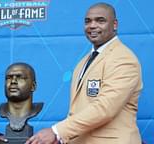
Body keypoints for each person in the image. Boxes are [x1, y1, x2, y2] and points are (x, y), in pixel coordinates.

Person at [26, 2, 142, 144]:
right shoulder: (84, 61)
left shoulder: (123, 59)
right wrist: (62, 138)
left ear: (115, 24)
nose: (92, 25)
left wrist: (57, 131)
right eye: (88, 21)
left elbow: (104, 108)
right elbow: (79, 110)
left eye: (100, 20)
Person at [0, 62, 43, 131]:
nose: (13, 81)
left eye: (20, 77)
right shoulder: (2, 110)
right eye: (9, 78)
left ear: (33, 86)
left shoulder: (37, 109)